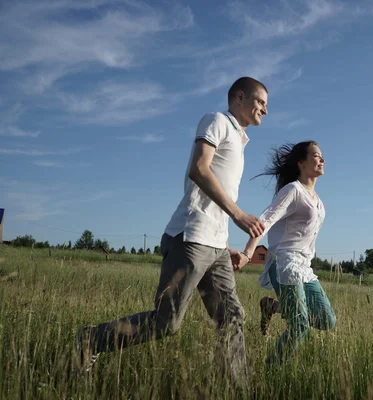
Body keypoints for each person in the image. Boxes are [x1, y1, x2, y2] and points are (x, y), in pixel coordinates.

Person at [74, 77, 269, 388]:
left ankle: (238, 387)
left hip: (215, 244)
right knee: (167, 323)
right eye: (260, 102)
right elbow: (199, 169)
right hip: (190, 238)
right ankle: (90, 339)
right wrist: (239, 215)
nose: (265, 110)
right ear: (240, 97)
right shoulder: (216, 120)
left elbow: (213, 196)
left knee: (232, 317)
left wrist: (225, 243)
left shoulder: (240, 141)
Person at [236, 141, 336, 366]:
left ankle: (272, 307)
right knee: (299, 325)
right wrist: (248, 252)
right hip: (284, 262)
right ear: (301, 162)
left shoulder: (317, 199)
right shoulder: (293, 190)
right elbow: (266, 220)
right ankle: (270, 373)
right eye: (317, 155)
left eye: (322, 156)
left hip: (304, 266)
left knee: (326, 319)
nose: (322, 159)